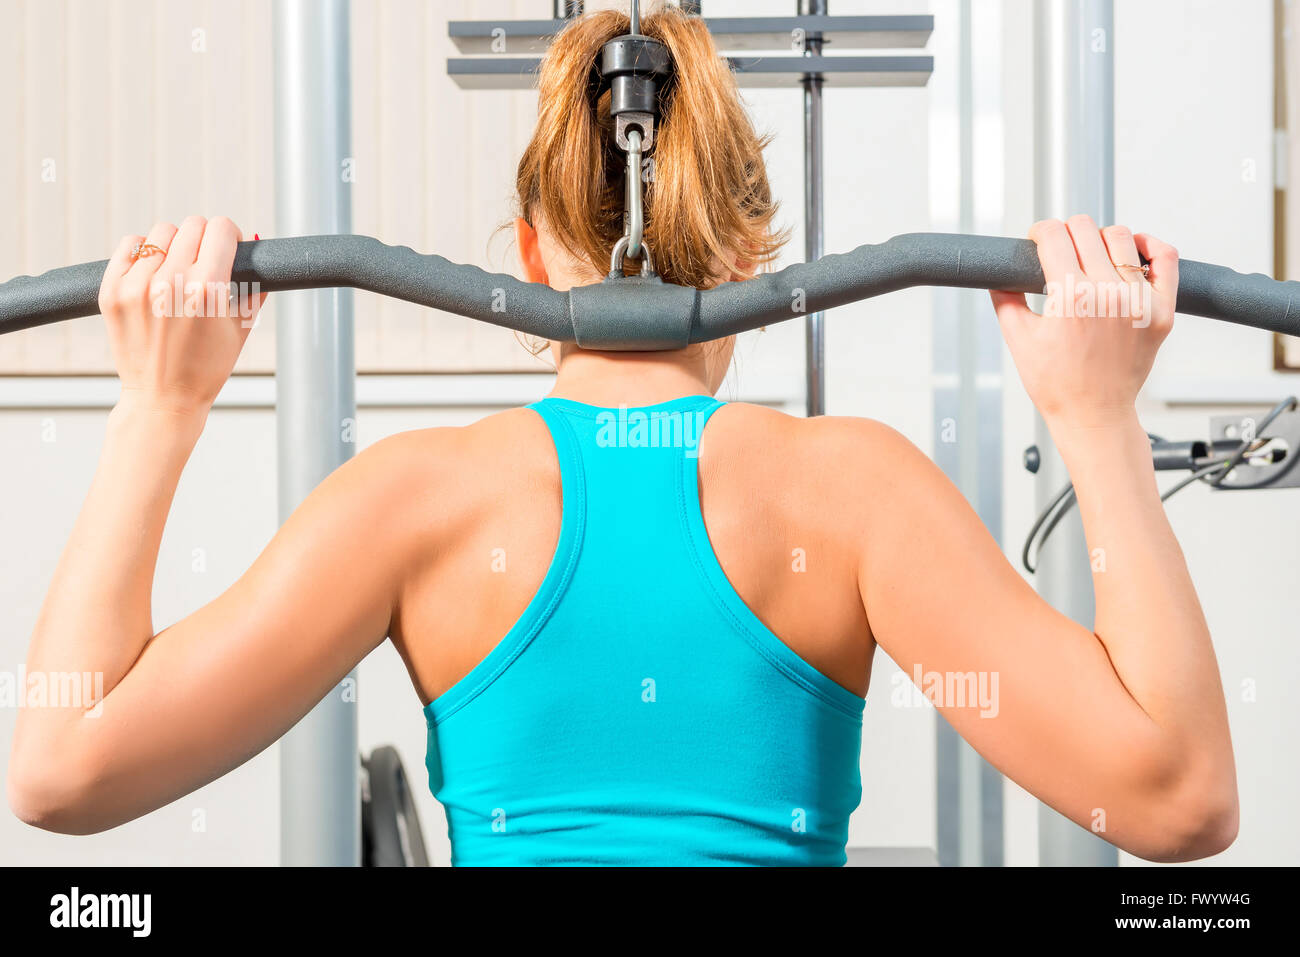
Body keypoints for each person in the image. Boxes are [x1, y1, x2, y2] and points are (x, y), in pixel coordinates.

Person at [6, 7, 1236, 865]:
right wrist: (1096, 414)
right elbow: (1179, 807)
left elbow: (59, 771)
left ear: (531, 251)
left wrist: (158, 405)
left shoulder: (412, 501)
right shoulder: (853, 494)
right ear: (755, 252)